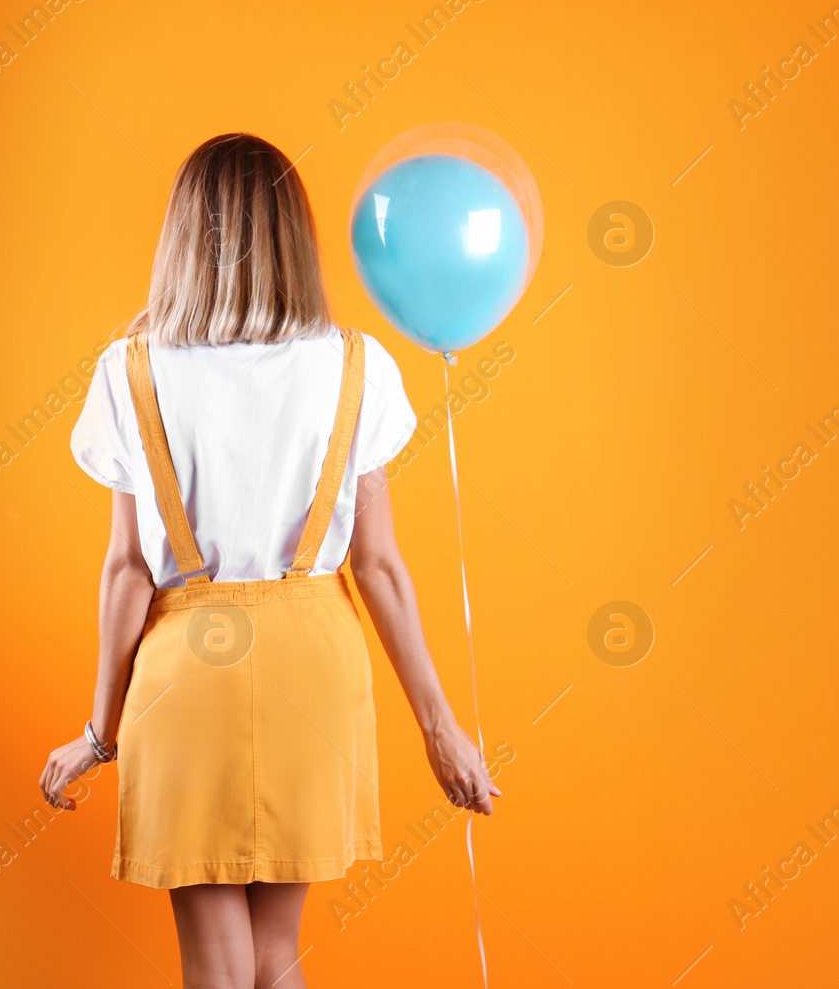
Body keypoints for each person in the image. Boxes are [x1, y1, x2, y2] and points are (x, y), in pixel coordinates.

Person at [38, 133, 499, 989]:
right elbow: (382, 566)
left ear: (183, 234)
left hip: (187, 675)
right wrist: (440, 728)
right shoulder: (358, 364)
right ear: (297, 234)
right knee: (277, 953)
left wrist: (99, 736)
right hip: (312, 666)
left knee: (216, 962)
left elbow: (127, 574)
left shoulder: (129, 369)